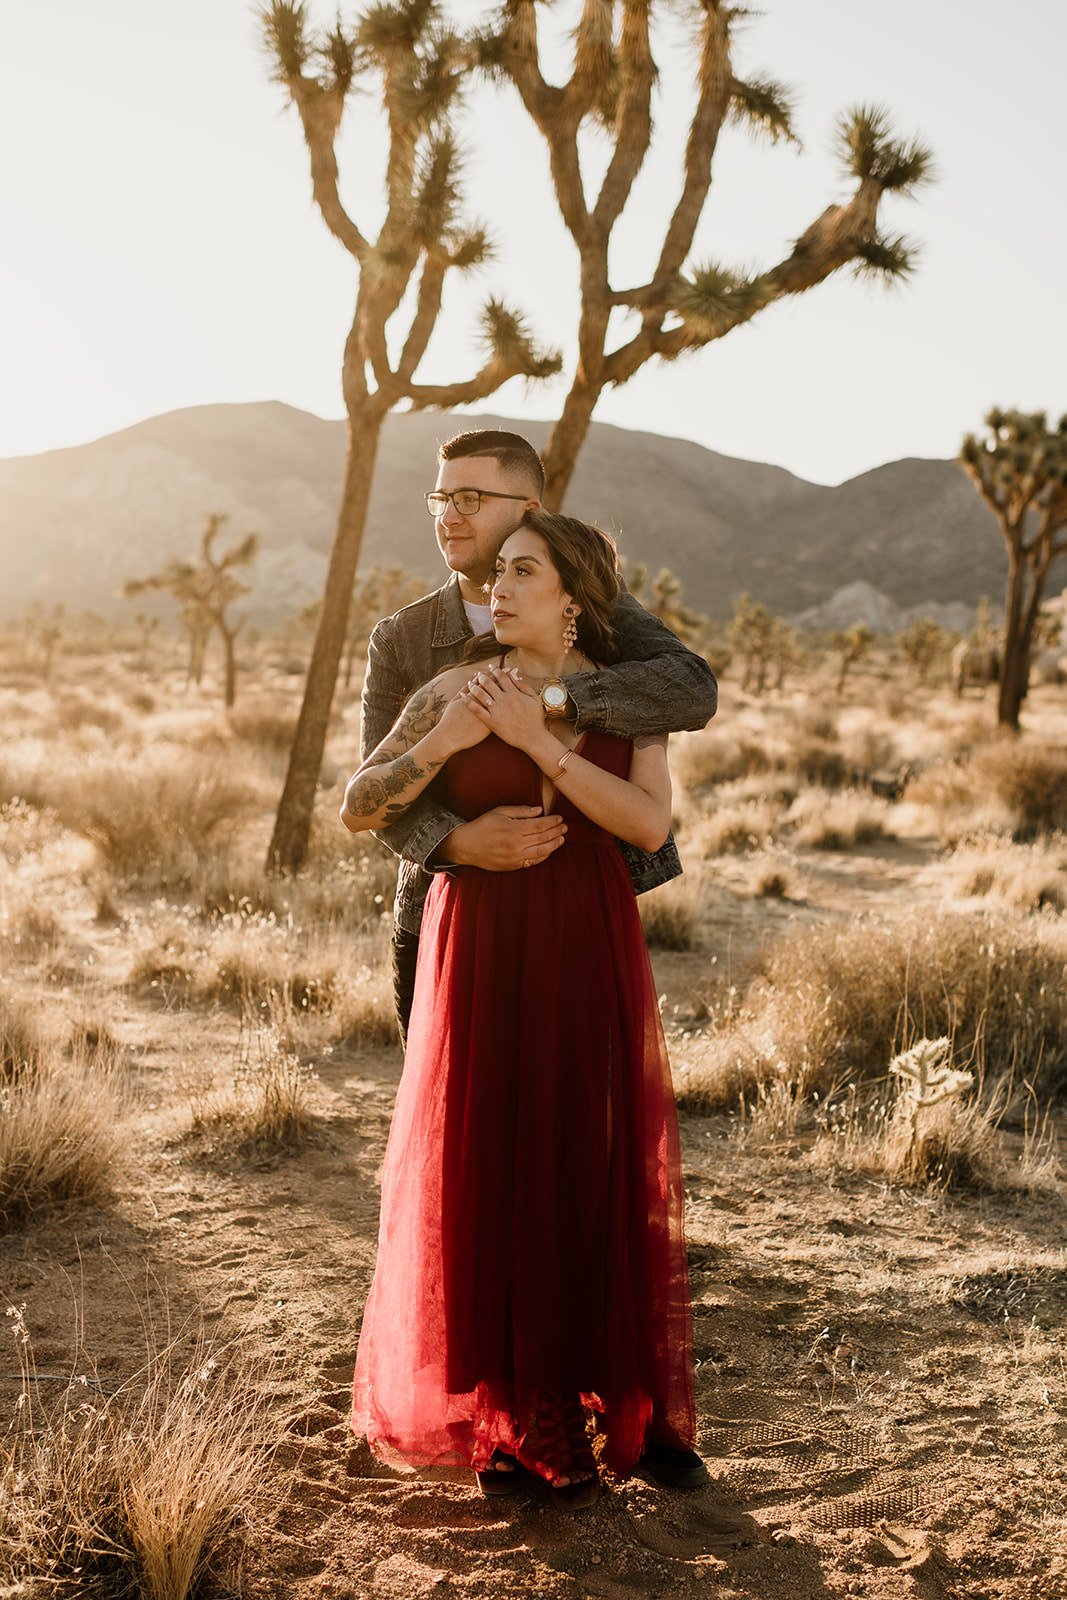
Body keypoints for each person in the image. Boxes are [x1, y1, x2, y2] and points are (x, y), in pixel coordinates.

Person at [342, 510, 704, 1509]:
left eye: (521, 571)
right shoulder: (453, 685)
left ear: (573, 597)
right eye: (494, 571)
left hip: (585, 939)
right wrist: (454, 740)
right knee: (488, 1153)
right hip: (481, 942)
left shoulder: (619, 700)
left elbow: (643, 819)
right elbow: (359, 802)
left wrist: (535, 744)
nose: (495, 587)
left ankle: (619, 1396)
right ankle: (514, 1414)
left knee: (588, 1151)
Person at [359, 428, 717, 1042]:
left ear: (528, 509)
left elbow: (689, 688)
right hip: (443, 914)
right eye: (441, 500)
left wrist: (550, 706)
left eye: (470, 498)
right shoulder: (404, 638)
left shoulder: (604, 614)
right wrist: (460, 843)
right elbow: (373, 787)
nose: (450, 517)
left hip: (584, 921)